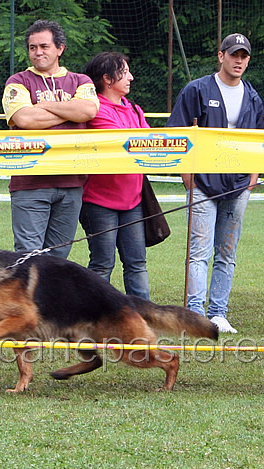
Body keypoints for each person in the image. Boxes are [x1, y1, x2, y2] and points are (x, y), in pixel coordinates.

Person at [166, 33, 264, 334]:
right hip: (203, 184)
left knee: (227, 252)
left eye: (244, 56)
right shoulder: (196, 89)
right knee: (199, 251)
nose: (239, 60)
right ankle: (195, 314)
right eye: (233, 54)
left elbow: (258, 140)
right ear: (220, 55)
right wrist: (188, 180)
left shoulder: (252, 95)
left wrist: (253, 177)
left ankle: (219, 312)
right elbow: (178, 135)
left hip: (238, 184)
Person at [2, 20, 99, 259]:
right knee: (28, 258)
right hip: (30, 182)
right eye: (33, 47)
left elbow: (87, 112)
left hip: (71, 183)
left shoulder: (81, 81)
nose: (38, 52)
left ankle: (49, 299)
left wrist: (44, 105)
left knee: (58, 259)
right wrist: (68, 110)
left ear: (60, 48)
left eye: (44, 46)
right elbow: (25, 118)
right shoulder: (17, 81)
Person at [79, 52, 150, 300]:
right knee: (102, 264)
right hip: (99, 202)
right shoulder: (94, 110)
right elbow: (124, 143)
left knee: (137, 263)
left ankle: (144, 318)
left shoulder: (133, 108)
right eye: (125, 71)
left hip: (133, 201)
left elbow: (150, 145)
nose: (131, 77)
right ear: (108, 79)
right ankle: (92, 317)